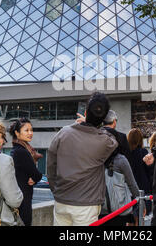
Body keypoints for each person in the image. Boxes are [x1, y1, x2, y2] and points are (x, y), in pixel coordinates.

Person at [47, 92, 117, 226]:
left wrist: (55, 189)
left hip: (61, 200)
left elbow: (51, 164)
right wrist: (91, 124)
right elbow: (114, 139)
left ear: (85, 112)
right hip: (87, 204)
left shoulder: (63, 132)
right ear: (103, 119)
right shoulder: (104, 141)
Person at [9, 118, 43, 226]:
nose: (30, 133)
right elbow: (37, 175)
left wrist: (33, 177)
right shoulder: (21, 152)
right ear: (17, 133)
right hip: (23, 200)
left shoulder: (17, 150)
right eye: (26, 130)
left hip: (20, 198)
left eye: (31, 130)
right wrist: (35, 177)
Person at [98, 146, 139, 226]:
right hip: (119, 210)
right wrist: (140, 200)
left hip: (98, 208)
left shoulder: (95, 158)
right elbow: (131, 184)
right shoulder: (120, 160)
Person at [127, 128, 152, 223]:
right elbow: (148, 171)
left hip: (129, 188)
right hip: (143, 188)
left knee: (130, 218)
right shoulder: (143, 152)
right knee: (140, 217)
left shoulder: (126, 153)